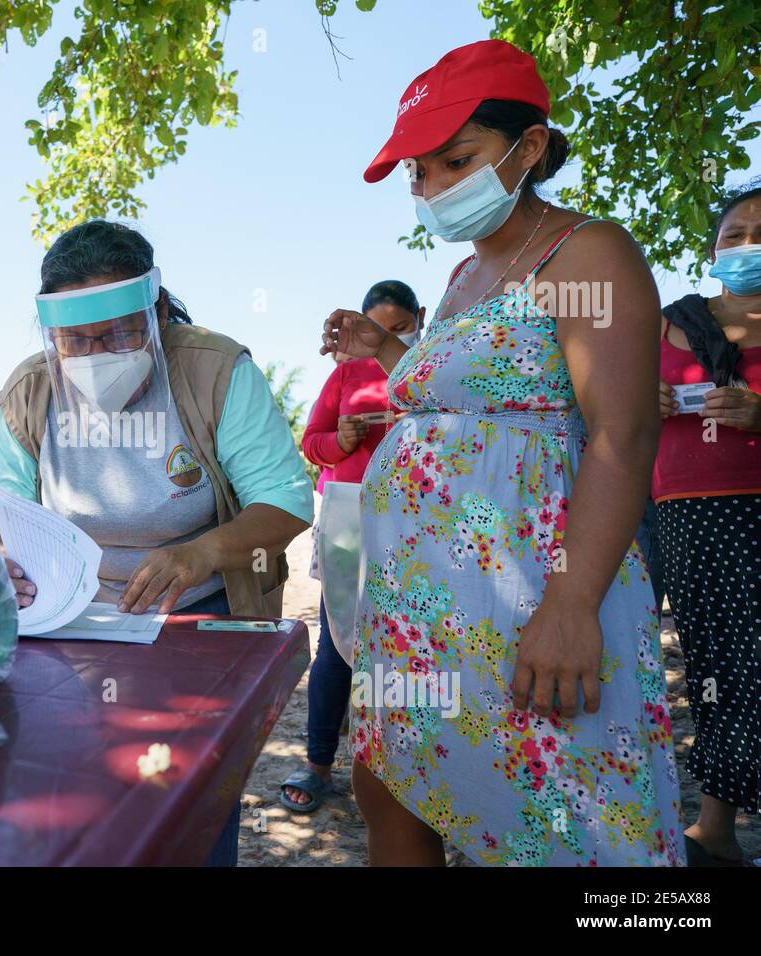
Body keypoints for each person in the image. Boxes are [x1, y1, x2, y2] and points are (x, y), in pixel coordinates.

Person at [323, 39, 683, 865]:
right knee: (392, 789)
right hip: (420, 611)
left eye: (457, 160)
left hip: (531, 601)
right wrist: (385, 348)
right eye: (420, 172)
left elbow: (624, 439)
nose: (434, 187)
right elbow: (457, 402)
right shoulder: (457, 281)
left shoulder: (588, 253)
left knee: (555, 815)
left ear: (528, 148)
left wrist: (569, 604)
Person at [0, 220, 314, 865]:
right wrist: (2, 556)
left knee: (189, 783)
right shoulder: (29, 391)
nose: (97, 354)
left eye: (118, 333)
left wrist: (200, 555)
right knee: (71, 774)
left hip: (200, 613)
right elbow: (4, 512)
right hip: (71, 618)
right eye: (76, 340)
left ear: (156, 311)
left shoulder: (214, 369)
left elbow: (285, 500)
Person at [280, 280, 422, 812]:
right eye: (377, 330)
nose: (386, 340)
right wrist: (339, 442)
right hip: (349, 522)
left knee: (410, 646)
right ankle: (319, 764)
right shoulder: (344, 374)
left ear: (421, 319)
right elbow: (312, 443)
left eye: (400, 329)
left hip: (419, 523)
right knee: (338, 643)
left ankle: (404, 768)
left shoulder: (430, 370)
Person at [653, 179, 761, 866]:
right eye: (734, 236)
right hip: (687, 517)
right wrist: (645, 398)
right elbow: (606, 412)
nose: (748, 246)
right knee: (716, 668)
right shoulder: (669, 321)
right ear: (712, 250)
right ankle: (714, 827)